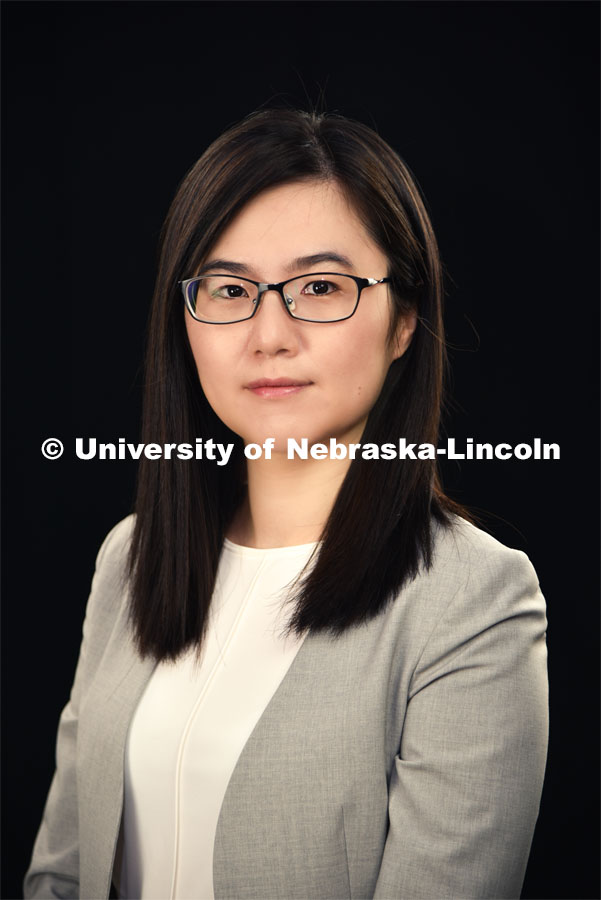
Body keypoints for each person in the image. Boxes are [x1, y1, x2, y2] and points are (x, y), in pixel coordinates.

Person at [23, 108, 549, 900]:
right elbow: (60, 871)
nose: (269, 334)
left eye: (320, 287)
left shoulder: (469, 599)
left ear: (404, 319)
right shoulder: (129, 559)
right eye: (230, 289)